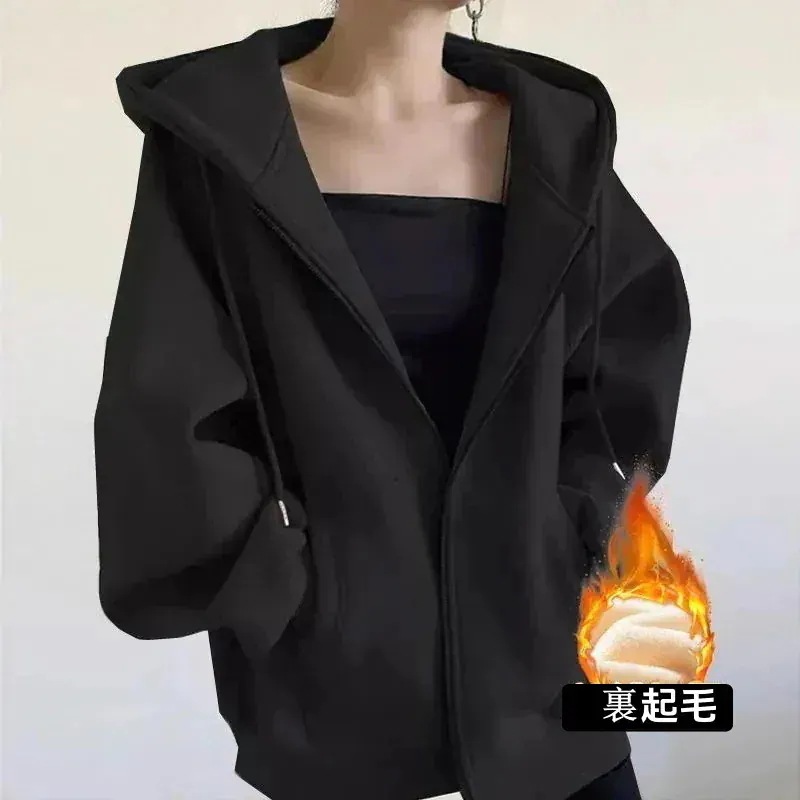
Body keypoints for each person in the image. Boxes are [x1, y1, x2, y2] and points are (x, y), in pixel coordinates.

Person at [95, 3, 691, 799]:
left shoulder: (552, 140)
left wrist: (570, 521)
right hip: (338, 690)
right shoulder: (221, 140)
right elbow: (165, 396)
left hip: (547, 673)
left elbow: (624, 353)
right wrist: (280, 582)